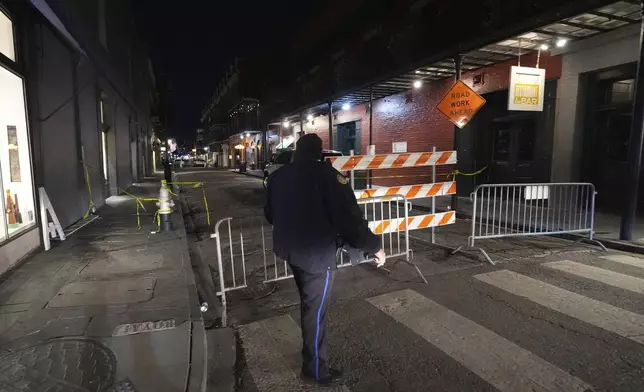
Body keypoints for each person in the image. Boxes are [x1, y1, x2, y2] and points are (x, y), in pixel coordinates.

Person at [264, 134, 386, 386]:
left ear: (297, 151)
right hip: (316, 256)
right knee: (315, 312)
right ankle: (315, 370)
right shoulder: (328, 176)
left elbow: (270, 214)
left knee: (309, 306)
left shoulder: (279, 176)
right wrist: (374, 246)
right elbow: (349, 218)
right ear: (321, 153)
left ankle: (311, 358)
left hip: (291, 251)